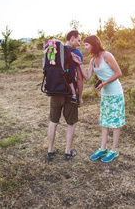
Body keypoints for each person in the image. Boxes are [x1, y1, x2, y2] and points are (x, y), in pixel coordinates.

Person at [71, 35, 124, 163]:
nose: (85, 47)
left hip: (115, 93)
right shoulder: (93, 60)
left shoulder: (107, 55)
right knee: (105, 121)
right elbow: (87, 77)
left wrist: (104, 83)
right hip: (105, 95)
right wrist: (79, 64)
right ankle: (103, 148)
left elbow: (119, 73)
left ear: (93, 44)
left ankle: (114, 150)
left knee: (115, 122)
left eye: (86, 45)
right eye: (84, 45)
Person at [47, 30, 83, 161]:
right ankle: (68, 152)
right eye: (78, 40)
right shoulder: (76, 53)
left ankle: (50, 151)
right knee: (70, 123)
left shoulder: (54, 51)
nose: (79, 43)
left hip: (55, 90)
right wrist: (79, 96)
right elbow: (79, 78)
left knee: (53, 122)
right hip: (69, 92)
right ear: (72, 38)